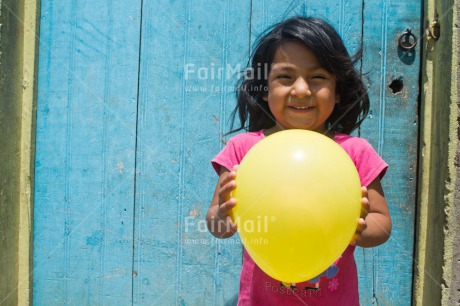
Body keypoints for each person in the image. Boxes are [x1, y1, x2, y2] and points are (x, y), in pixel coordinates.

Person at [206, 16, 392, 305]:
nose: (302, 90)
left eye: (317, 78)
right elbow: (216, 222)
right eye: (285, 77)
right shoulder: (244, 150)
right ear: (264, 89)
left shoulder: (355, 152)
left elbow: (382, 223)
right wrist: (224, 217)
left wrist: (359, 228)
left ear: (338, 89)